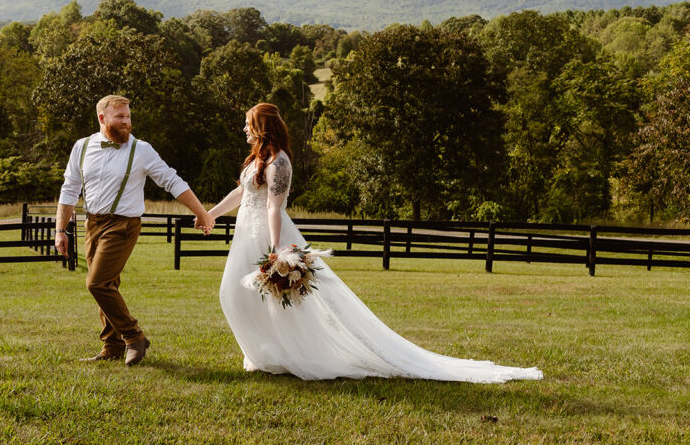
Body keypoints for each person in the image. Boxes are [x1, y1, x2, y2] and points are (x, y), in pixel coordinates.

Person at [206, 103, 543, 382]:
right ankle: (266, 353)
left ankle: (284, 355)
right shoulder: (257, 159)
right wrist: (212, 215)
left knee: (265, 299)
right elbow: (242, 192)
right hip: (245, 235)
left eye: (249, 125)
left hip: (266, 236)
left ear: (262, 127)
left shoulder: (280, 162)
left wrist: (277, 251)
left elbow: (273, 206)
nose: (245, 130)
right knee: (234, 295)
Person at [55, 95, 215, 366]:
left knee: (96, 283)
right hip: (92, 223)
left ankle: (134, 336)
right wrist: (61, 230)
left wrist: (202, 213)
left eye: (128, 116)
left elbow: (172, 181)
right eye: (120, 117)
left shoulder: (142, 150)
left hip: (124, 224)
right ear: (102, 118)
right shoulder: (81, 147)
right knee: (108, 284)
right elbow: (70, 189)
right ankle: (112, 346)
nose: (127, 122)